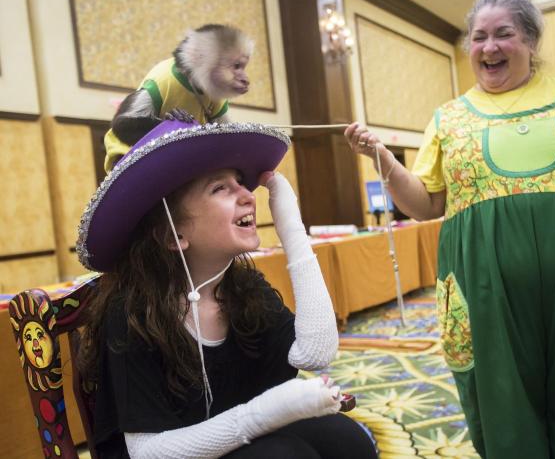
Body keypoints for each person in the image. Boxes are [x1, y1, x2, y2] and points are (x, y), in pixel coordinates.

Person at [344, 0, 555, 457]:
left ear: (531, 40)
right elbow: (424, 205)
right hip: (483, 290)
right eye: (478, 37)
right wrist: (383, 159)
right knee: (500, 391)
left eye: (504, 34)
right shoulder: (450, 118)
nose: (488, 47)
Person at [77, 119, 377, 459]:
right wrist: (262, 414)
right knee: (282, 456)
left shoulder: (241, 286)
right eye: (220, 188)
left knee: (347, 440)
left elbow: (315, 353)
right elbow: (148, 451)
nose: (248, 195)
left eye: (240, 182)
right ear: (173, 236)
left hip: (231, 442)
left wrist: (294, 232)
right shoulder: (131, 312)